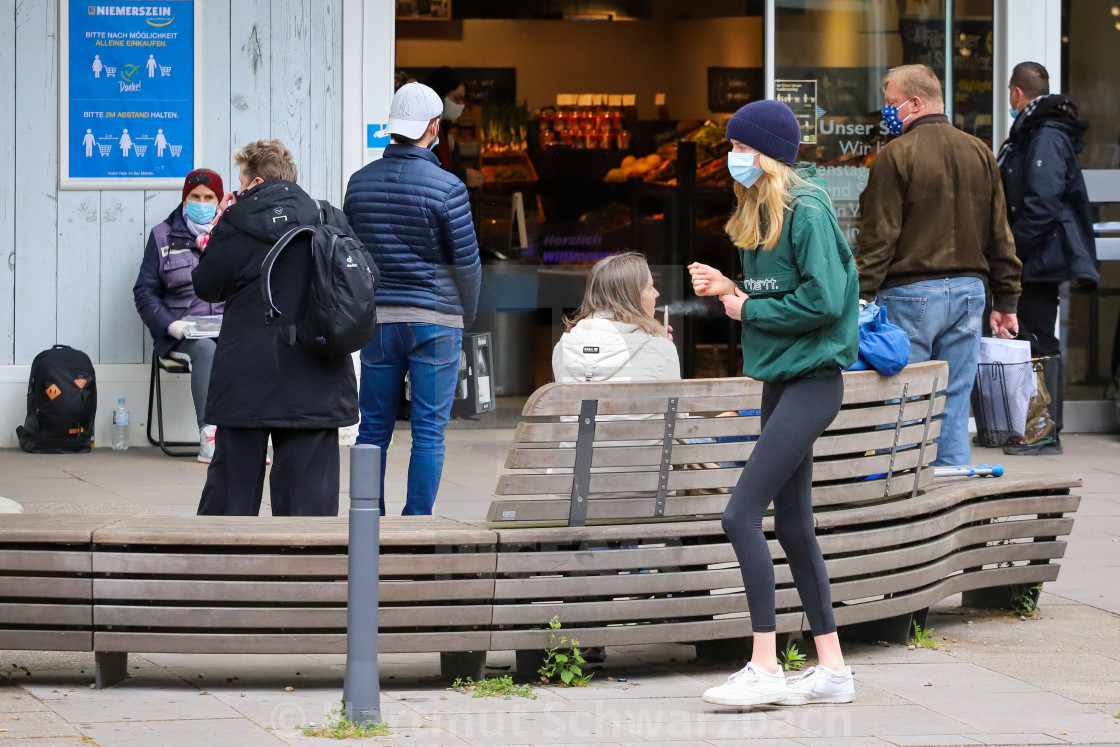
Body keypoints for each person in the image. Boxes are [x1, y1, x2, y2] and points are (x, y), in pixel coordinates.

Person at [688, 99, 858, 707]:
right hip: (783, 378)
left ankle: (765, 666)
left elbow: (826, 301)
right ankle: (833, 670)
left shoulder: (806, 210)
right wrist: (731, 289)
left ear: (765, 154)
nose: (730, 157)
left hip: (812, 381)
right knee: (790, 525)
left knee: (739, 515)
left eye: (738, 147)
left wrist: (746, 308)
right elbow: (778, 293)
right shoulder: (761, 211)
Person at [857, 64, 1022, 467]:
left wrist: (859, 297)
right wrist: (1007, 299)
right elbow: (1000, 232)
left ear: (915, 103)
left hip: (910, 294)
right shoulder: (980, 151)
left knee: (905, 404)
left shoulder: (895, 155)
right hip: (969, 292)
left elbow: (879, 237)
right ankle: (951, 495)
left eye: (892, 103)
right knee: (954, 398)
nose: (887, 110)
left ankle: (902, 502)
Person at [193, 140, 359, 516]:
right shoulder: (327, 217)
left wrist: (220, 227)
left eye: (240, 180)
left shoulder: (234, 223)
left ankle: (220, 571)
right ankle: (301, 572)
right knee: (308, 509)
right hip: (318, 373)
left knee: (230, 499)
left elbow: (207, 285)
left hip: (246, 374)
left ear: (254, 182)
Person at [343, 82, 481, 516]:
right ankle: (416, 525)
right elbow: (467, 266)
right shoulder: (448, 187)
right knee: (428, 433)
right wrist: (466, 314)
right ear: (434, 127)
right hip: (436, 321)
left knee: (374, 430)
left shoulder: (359, 183)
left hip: (377, 321)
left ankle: (368, 520)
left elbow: (353, 255)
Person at [997, 61, 1098, 455]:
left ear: (1017, 94)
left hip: (1037, 260)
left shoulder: (1045, 136)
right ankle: (1029, 428)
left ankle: (1043, 433)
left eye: (1009, 94)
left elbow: (1041, 203)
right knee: (1029, 339)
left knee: (1037, 340)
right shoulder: (1032, 133)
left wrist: (1013, 254)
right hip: (1035, 258)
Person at [133, 168, 226, 463]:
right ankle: (209, 437)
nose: (202, 201)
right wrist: (171, 326)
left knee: (256, 347)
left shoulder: (232, 236)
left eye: (208, 197)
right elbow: (145, 292)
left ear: (219, 200)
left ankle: (246, 436)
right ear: (185, 200)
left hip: (228, 330)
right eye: (195, 196)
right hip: (183, 337)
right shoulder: (162, 236)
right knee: (206, 349)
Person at [553, 252, 679, 383]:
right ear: (632, 298)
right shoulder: (661, 350)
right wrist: (662, 347)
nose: (656, 293)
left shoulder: (562, 348)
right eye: (650, 287)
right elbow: (673, 401)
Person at [423, 66, 487, 189]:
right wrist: (463, 176)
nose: (461, 105)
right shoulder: (420, 134)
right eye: (457, 99)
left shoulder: (444, 132)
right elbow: (424, 176)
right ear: (438, 95)